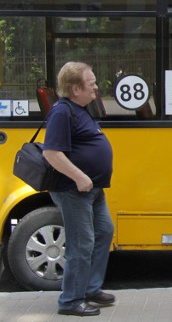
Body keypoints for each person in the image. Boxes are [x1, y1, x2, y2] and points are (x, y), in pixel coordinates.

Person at [43, 62, 115, 317]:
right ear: (75, 88)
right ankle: (71, 300)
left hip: (93, 190)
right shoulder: (62, 112)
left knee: (105, 231)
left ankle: (90, 288)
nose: (96, 87)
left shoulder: (80, 109)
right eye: (91, 82)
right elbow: (51, 152)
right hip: (74, 190)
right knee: (81, 244)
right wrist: (80, 177)